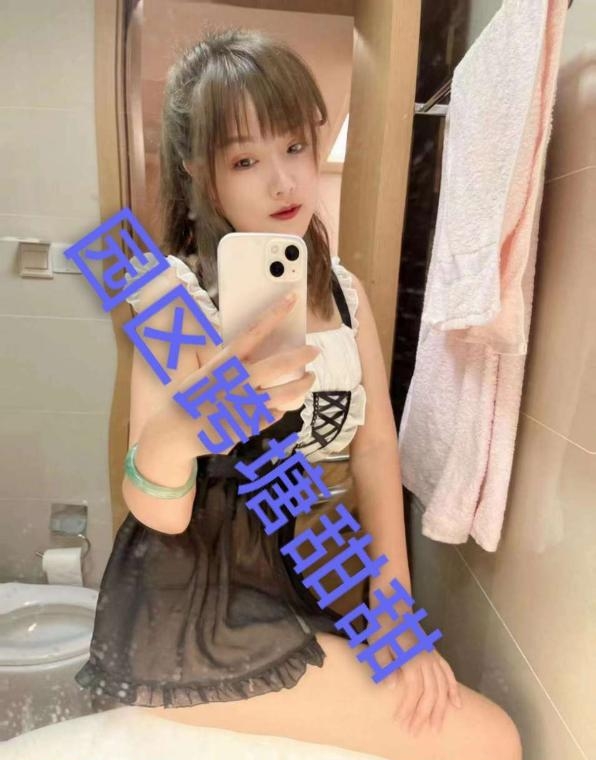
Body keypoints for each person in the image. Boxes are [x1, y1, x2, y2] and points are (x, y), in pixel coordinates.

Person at [75, 27, 522, 760]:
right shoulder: (170, 298)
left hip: (319, 568)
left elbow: (375, 451)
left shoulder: (344, 292)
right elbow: (160, 511)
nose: (284, 182)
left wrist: (394, 611)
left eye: (294, 147)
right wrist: (185, 427)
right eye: (246, 160)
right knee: (489, 740)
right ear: (198, 171)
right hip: (208, 602)